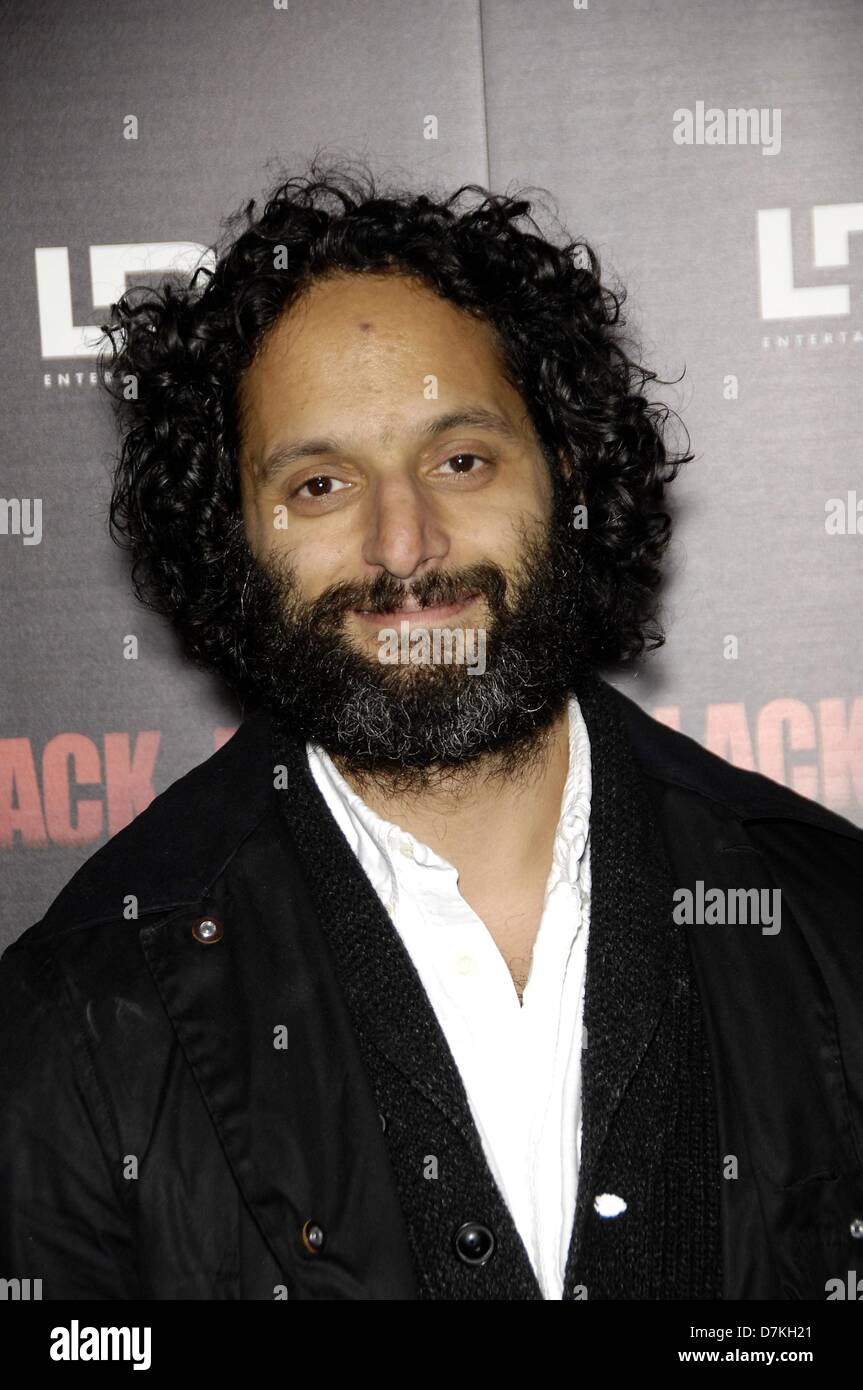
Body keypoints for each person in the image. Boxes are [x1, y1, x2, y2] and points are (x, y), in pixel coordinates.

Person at [2, 160, 862, 1301]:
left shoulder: (829, 920)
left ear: (564, 470)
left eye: (459, 460)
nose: (402, 545)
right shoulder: (78, 1020)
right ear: (231, 536)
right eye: (319, 485)